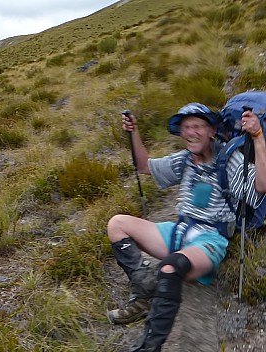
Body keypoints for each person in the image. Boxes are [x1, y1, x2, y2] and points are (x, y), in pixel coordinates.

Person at [107, 102, 266, 351]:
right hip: (178, 231)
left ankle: (149, 346)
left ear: (212, 131)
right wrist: (134, 132)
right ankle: (145, 291)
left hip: (209, 240)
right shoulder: (185, 160)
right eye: (186, 127)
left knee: (170, 268)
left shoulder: (228, 159)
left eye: (198, 126)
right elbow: (144, 166)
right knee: (117, 224)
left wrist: (257, 137)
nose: (191, 132)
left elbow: (260, 186)